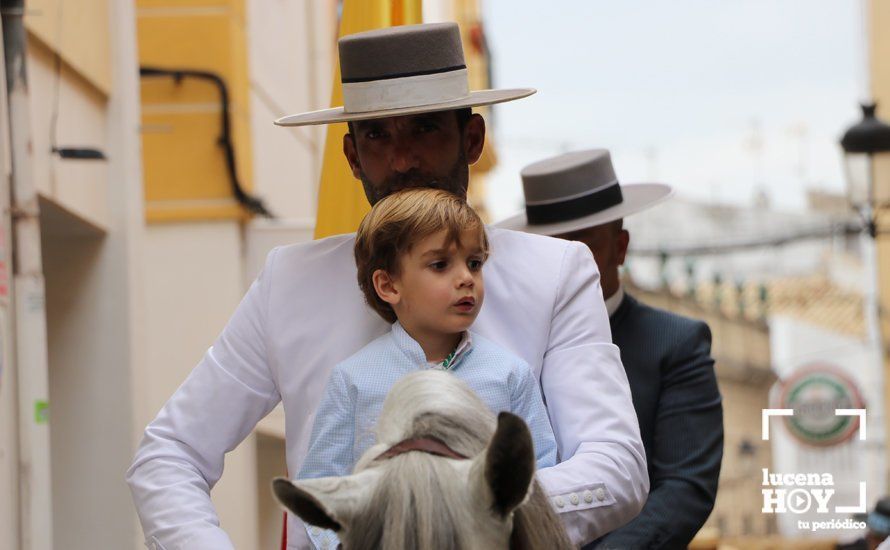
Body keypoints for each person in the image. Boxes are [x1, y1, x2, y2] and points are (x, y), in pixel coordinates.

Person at [126, 24, 648, 550]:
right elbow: (170, 453)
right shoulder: (290, 281)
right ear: (352, 157)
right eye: (378, 135)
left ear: (471, 140)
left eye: (424, 128)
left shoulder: (556, 272)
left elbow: (617, 464)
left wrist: (452, 514)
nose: (401, 160)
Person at [299, 188, 558, 549]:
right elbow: (323, 482)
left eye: (475, 263)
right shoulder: (353, 379)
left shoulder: (509, 374)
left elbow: (541, 475)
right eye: (440, 264)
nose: (466, 278)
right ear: (388, 285)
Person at [499, 148, 724, 549]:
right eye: (550, 248)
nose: (563, 262)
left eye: (580, 247)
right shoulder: (500, 339)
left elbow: (684, 488)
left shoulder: (675, 343)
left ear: (620, 247)